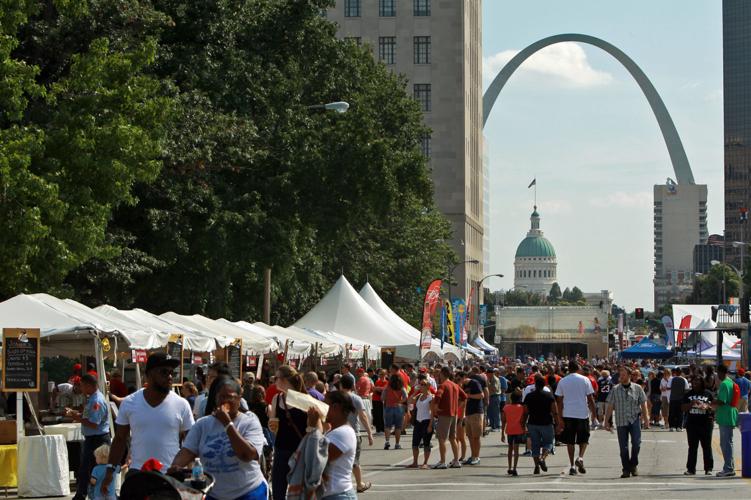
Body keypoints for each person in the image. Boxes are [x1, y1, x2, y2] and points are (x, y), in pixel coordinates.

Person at [100, 353, 194, 494]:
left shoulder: (181, 404)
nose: (169, 377)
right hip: (138, 474)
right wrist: (110, 471)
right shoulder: (130, 403)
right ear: (148, 375)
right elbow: (119, 439)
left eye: (171, 373)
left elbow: (191, 442)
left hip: (170, 476)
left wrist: (191, 469)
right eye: (163, 372)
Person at [169, 378, 267, 500]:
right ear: (215, 399)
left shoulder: (250, 423)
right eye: (221, 397)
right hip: (214, 494)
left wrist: (227, 424)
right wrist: (176, 465)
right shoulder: (202, 424)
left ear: (239, 399)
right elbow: (188, 451)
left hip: (248, 492)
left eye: (230, 397)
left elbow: (247, 455)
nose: (225, 401)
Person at [306, 390, 358, 500]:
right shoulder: (334, 431)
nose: (321, 408)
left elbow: (317, 459)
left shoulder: (343, 433)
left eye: (325, 404)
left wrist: (312, 426)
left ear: (335, 407)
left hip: (338, 495)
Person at [65, 374, 110, 500]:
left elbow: (94, 423)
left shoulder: (96, 401)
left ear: (89, 386)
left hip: (97, 439)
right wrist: (77, 414)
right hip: (93, 439)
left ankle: (83, 495)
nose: (81, 389)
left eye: (82, 386)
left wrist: (76, 417)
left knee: (90, 469)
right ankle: (87, 493)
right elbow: (89, 416)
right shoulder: (92, 398)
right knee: (87, 468)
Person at [268, 365, 308, 500]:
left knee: (300, 492)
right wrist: (271, 424)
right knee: (278, 490)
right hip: (281, 449)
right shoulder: (277, 398)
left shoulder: (303, 399)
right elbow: (273, 424)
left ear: (285, 380)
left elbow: (316, 426)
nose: (274, 381)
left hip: (300, 451)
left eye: (276, 378)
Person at [604, 368, 649, 478]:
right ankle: (626, 469)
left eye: (624, 375)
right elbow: (610, 406)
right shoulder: (615, 389)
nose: (621, 377)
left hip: (634, 420)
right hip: (621, 421)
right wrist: (606, 421)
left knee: (636, 444)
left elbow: (643, 404)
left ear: (629, 376)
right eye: (620, 375)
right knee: (623, 448)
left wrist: (646, 419)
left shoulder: (637, 388)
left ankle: (633, 465)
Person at [555, 360, 597, 476]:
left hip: (568, 414)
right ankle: (580, 458)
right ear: (578, 368)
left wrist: (560, 418)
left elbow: (559, 401)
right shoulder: (585, 379)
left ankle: (572, 466)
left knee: (570, 441)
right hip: (582, 414)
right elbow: (590, 399)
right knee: (584, 439)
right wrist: (594, 415)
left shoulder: (563, 381)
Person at [339, 374, 373, 493]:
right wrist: (369, 433)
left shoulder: (335, 398)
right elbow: (363, 416)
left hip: (337, 433)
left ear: (341, 385)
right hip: (353, 433)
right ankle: (359, 484)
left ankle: (340, 485)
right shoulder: (356, 398)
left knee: (338, 460)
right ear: (353, 385)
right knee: (355, 461)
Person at [431, 366, 465, 469]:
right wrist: (457, 406)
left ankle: (442, 461)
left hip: (445, 414)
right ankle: (456, 460)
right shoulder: (455, 385)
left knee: (442, 438)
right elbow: (464, 397)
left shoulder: (443, 385)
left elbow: (437, 397)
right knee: (452, 438)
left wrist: (436, 409)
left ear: (442, 374)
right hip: (453, 414)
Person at [524, 376, 558, 475]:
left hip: (532, 422)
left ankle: (536, 466)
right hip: (546, 422)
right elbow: (554, 411)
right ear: (544, 385)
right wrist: (558, 423)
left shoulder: (529, 396)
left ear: (535, 384)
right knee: (548, 443)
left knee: (535, 445)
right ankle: (542, 458)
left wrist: (523, 423)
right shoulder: (549, 395)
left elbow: (525, 411)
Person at [682, 376, 714, 475]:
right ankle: (691, 469)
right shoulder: (688, 394)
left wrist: (707, 406)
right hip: (692, 424)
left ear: (702, 382)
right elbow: (682, 408)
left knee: (707, 446)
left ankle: (708, 468)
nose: (695, 382)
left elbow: (714, 406)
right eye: (694, 380)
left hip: (706, 424)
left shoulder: (708, 393)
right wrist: (691, 404)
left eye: (698, 380)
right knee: (692, 447)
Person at [713, 364, 738, 477]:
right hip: (730, 414)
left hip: (725, 415)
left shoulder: (724, 384)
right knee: (728, 443)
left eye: (718, 373)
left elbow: (722, 401)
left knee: (725, 444)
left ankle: (728, 468)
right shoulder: (731, 382)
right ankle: (729, 467)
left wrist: (710, 403)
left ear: (721, 372)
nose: (717, 375)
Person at [407, 375, 434, 469]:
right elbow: (409, 401)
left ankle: (425, 462)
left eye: (423, 384)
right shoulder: (419, 396)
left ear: (428, 386)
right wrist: (415, 392)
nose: (421, 386)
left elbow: (432, 413)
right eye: (420, 384)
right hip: (418, 422)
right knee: (415, 443)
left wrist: (430, 425)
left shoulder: (431, 398)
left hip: (426, 421)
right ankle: (415, 462)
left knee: (426, 443)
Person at [462, 371, 485, 465]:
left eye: (459, 379)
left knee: (476, 436)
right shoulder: (463, 386)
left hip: (476, 412)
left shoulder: (475, 383)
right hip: (468, 412)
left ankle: (477, 456)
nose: (458, 381)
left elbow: (481, 395)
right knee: (470, 436)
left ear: (464, 377)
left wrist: (469, 395)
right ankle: (472, 456)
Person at [502, 392, 526, 477]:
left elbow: (503, 421)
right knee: (516, 450)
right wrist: (524, 429)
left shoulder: (506, 407)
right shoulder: (521, 408)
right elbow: (522, 420)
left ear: (511, 398)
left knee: (510, 449)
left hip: (509, 430)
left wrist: (502, 433)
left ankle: (509, 467)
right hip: (518, 430)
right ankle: (515, 468)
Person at [382, 374, 407, 450]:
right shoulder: (401, 387)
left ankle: (387, 441)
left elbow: (382, 398)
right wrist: (400, 401)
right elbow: (406, 397)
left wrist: (387, 399)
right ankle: (397, 444)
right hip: (398, 408)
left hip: (388, 408)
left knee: (387, 426)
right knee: (398, 427)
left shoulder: (387, 388)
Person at [372, 369, 388, 435]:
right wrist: (378, 388)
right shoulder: (377, 381)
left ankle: (382, 430)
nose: (380, 375)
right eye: (379, 374)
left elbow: (384, 389)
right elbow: (374, 389)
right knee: (376, 415)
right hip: (375, 399)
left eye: (382, 374)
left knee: (381, 415)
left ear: (385, 375)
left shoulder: (386, 382)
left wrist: (378, 388)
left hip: (381, 400)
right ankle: (378, 430)